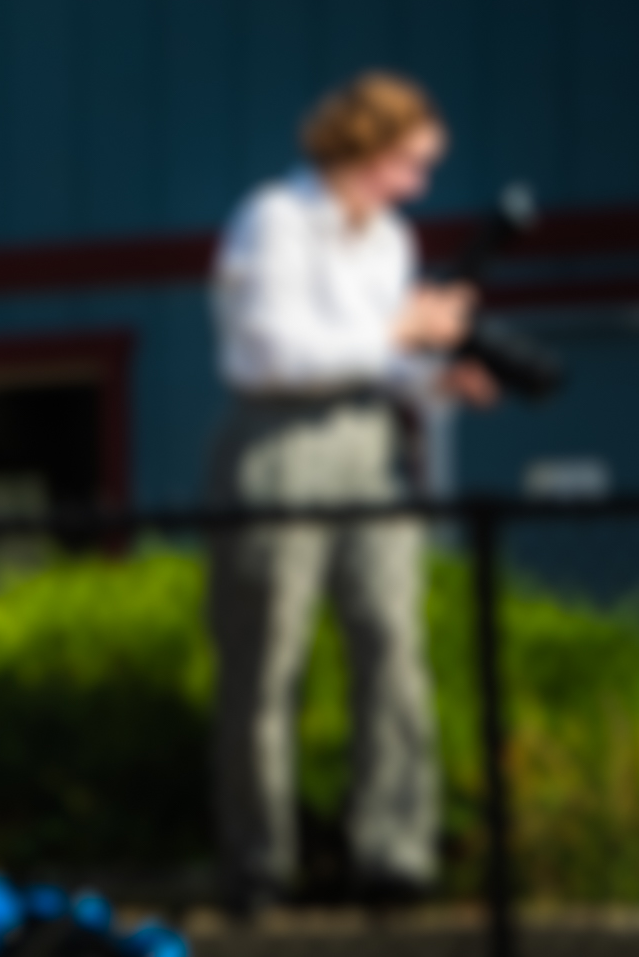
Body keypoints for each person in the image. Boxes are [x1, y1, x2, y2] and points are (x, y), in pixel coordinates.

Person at [209, 70, 500, 908]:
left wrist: (436, 376)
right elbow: (271, 351)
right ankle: (258, 861)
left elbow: (378, 361)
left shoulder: (390, 242)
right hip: (279, 439)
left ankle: (394, 849)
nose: (416, 185)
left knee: (391, 644)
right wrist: (397, 331)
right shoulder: (275, 220)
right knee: (266, 661)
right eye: (408, 164)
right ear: (362, 151)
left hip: (370, 442)